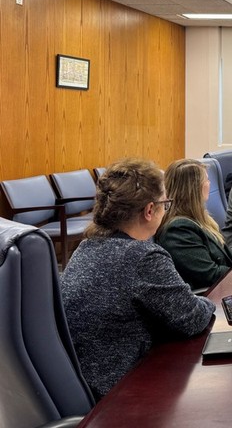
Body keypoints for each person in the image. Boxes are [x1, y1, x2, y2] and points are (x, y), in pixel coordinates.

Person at [60, 159, 215, 400]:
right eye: (165, 203)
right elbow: (192, 319)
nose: (167, 210)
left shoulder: (86, 247)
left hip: (90, 381)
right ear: (150, 210)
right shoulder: (142, 256)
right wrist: (209, 302)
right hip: (121, 393)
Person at [156, 159, 232, 290]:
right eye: (206, 180)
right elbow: (210, 274)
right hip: (212, 295)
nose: (209, 183)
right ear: (194, 187)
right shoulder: (177, 230)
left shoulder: (198, 218)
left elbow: (227, 254)